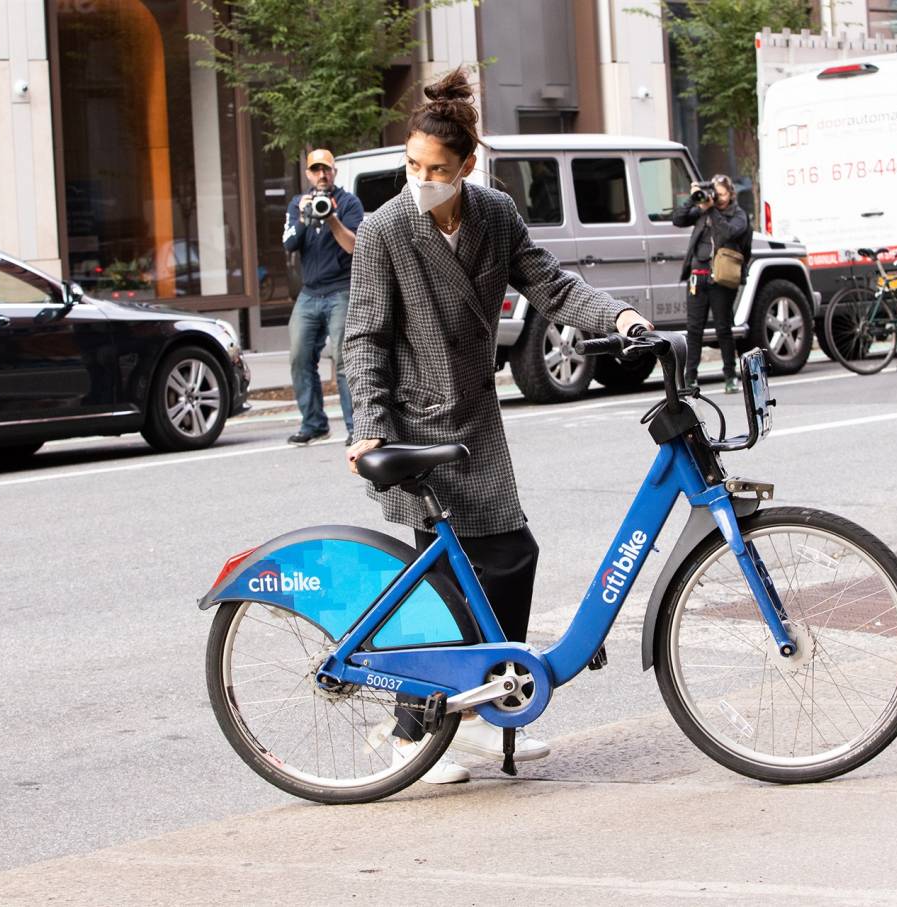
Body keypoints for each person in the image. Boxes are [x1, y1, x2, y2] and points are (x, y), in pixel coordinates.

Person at [343, 68, 653, 785]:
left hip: (475, 421)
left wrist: (622, 316)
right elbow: (363, 339)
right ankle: (413, 737)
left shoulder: (495, 215)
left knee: (508, 560)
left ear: (467, 168)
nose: (421, 181)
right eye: (413, 166)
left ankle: (475, 718)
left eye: (437, 170)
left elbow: (553, 285)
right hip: (415, 427)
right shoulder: (387, 228)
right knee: (447, 588)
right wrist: (369, 428)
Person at [283, 149, 364, 446]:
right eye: (315, 170)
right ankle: (314, 423)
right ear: (307, 174)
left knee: (344, 361)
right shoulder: (297, 204)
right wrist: (305, 216)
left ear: (334, 172)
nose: (321, 175)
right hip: (310, 293)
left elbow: (353, 247)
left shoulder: (348, 203)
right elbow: (290, 244)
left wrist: (331, 217)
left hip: (341, 289)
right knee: (299, 357)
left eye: (326, 169)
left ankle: (357, 428)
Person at [671, 174, 750, 393]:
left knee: (723, 328)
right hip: (698, 276)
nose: (719, 197)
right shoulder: (702, 211)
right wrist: (693, 197)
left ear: (731, 193)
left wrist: (712, 209)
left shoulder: (738, 215)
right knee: (694, 329)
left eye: (722, 193)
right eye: (716, 193)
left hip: (721, 278)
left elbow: (727, 234)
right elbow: (678, 219)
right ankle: (690, 379)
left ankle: (730, 377)